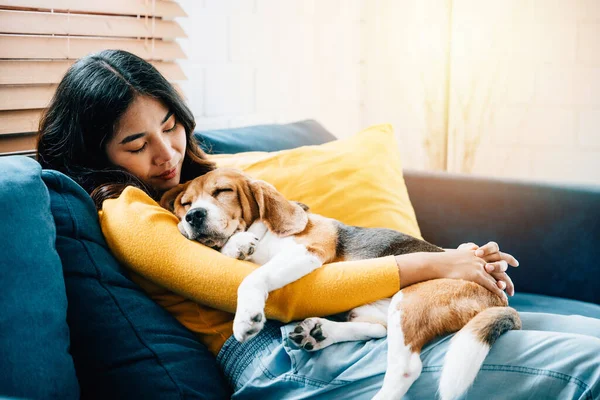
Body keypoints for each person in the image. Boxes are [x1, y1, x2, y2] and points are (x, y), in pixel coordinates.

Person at [36, 49, 600, 399]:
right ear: (97, 153)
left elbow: (318, 241)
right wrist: (434, 262)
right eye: (137, 143)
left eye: (171, 127)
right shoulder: (129, 213)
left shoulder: (210, 182)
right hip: (287, 357)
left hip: (359, 324)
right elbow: (273, 300)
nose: (167, 155)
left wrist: (461, 270)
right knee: (589, 368)